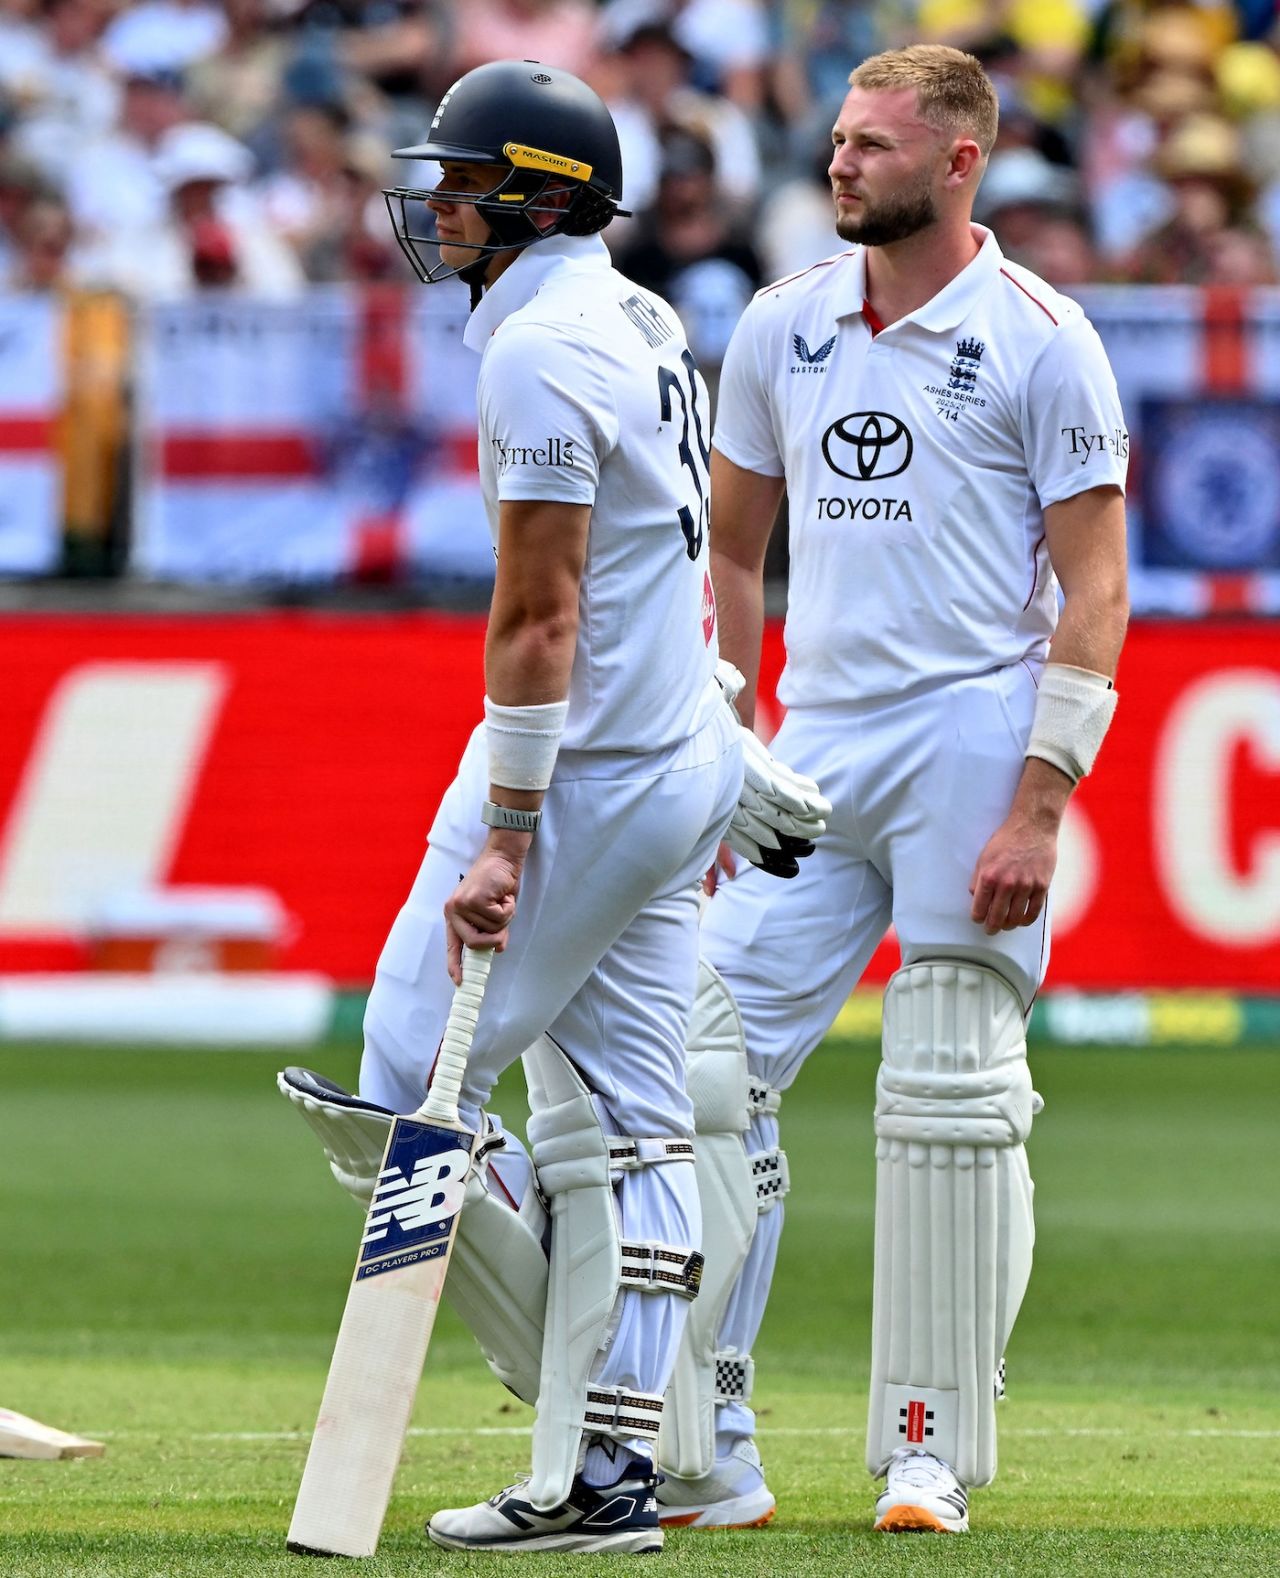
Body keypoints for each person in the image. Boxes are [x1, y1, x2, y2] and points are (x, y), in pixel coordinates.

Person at [279, 59, 826, 1555]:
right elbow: (672, 562)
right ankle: (621, 1476)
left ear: (535, 194)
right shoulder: (643, 314)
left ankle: (561, 1389)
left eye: (462, 185)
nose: (437, 208)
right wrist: (713, 729)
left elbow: (543, 613)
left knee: (399, 1089)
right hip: (673, 760)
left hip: (580, 771)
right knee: (647, 1128)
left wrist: (511, 829)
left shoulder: (541, 349)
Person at [654, 43, 1130, 1535]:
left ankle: (925, 1448)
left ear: (959, 161)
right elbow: (731, 554)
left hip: (972, 742)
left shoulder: (1047, 337)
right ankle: (706, 1435)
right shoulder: (787, 323)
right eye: (841, 140)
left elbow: (1098, 587)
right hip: (811, 748)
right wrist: (724, 741)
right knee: (697, 1071)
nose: (841, 162)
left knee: (954, 1097)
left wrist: (1041, 801)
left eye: (872, 144)